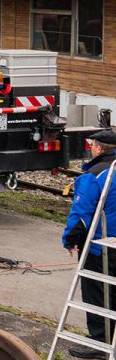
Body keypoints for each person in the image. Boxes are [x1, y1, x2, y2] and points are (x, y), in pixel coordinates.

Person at [62, 129, 116, 358]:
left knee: (98, 295)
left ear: (99, 148)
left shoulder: (94, 175)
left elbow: (81, 214)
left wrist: (70, 240)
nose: (90, 148)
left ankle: (99, 343)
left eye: (92, 144)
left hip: (100, 245)